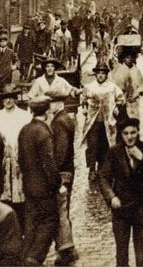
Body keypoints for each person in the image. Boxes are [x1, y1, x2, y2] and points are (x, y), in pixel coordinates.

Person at [99, 117, 143, 267]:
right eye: (126, 133)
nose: (129, 137)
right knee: (121, 255)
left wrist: (142, 158)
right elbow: (103, 176)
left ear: (138, 132)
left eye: (133, 133)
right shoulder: (114, 152)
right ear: (121, 135)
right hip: (121, 209)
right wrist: (112, 197)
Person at [18, 97, 62, 266]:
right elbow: (49, 164)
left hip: (28, 184)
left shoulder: (24, 130)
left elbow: (20, 158)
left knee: (31, 222)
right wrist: (57, 184)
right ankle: (34, 258)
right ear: (47, 111)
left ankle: (26, 255)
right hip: (44, 188)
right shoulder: (44, 133)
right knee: (50, 220)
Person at [0, 83, 31, 223]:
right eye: (5, 98)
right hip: (1, 160)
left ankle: (21, 222)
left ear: (15, 99)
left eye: (11, 98)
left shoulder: (24, 116)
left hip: (19, 159)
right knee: (3, 192)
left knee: (20, 192)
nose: (8, 101)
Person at [81, 62, 125, 182]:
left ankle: (103, 169)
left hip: (107, 121)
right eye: (98, 73)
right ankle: (91, 170)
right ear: (95, 74)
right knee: (92, 145)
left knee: (105, 145)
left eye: (103, 73)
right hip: (93, 121)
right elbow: (83, 99)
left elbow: (121, 99)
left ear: (106, 75)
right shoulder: (89, 87)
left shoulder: (112, 87)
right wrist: (84, 108)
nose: (100, 75)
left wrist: (117, 107)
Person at [51, 101, 78, 266]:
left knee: (61, 210)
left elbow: (60, 153)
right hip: (67, 170)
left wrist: (54, 172)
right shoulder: (65, 118)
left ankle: (67, 250)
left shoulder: (59, 122)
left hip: (62, 173)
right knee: (63, 210)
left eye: (52, 102)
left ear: (58, 103)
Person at [111, 47, 143, 120]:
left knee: (133, 121)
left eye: (131, 57)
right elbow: (115, 87)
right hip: (122, 102)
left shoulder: (136, 71)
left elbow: (141, 86)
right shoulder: (119, 70)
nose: (129, 59)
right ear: (123, 58)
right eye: (127, 57)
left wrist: (136, 94)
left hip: (134, 102)